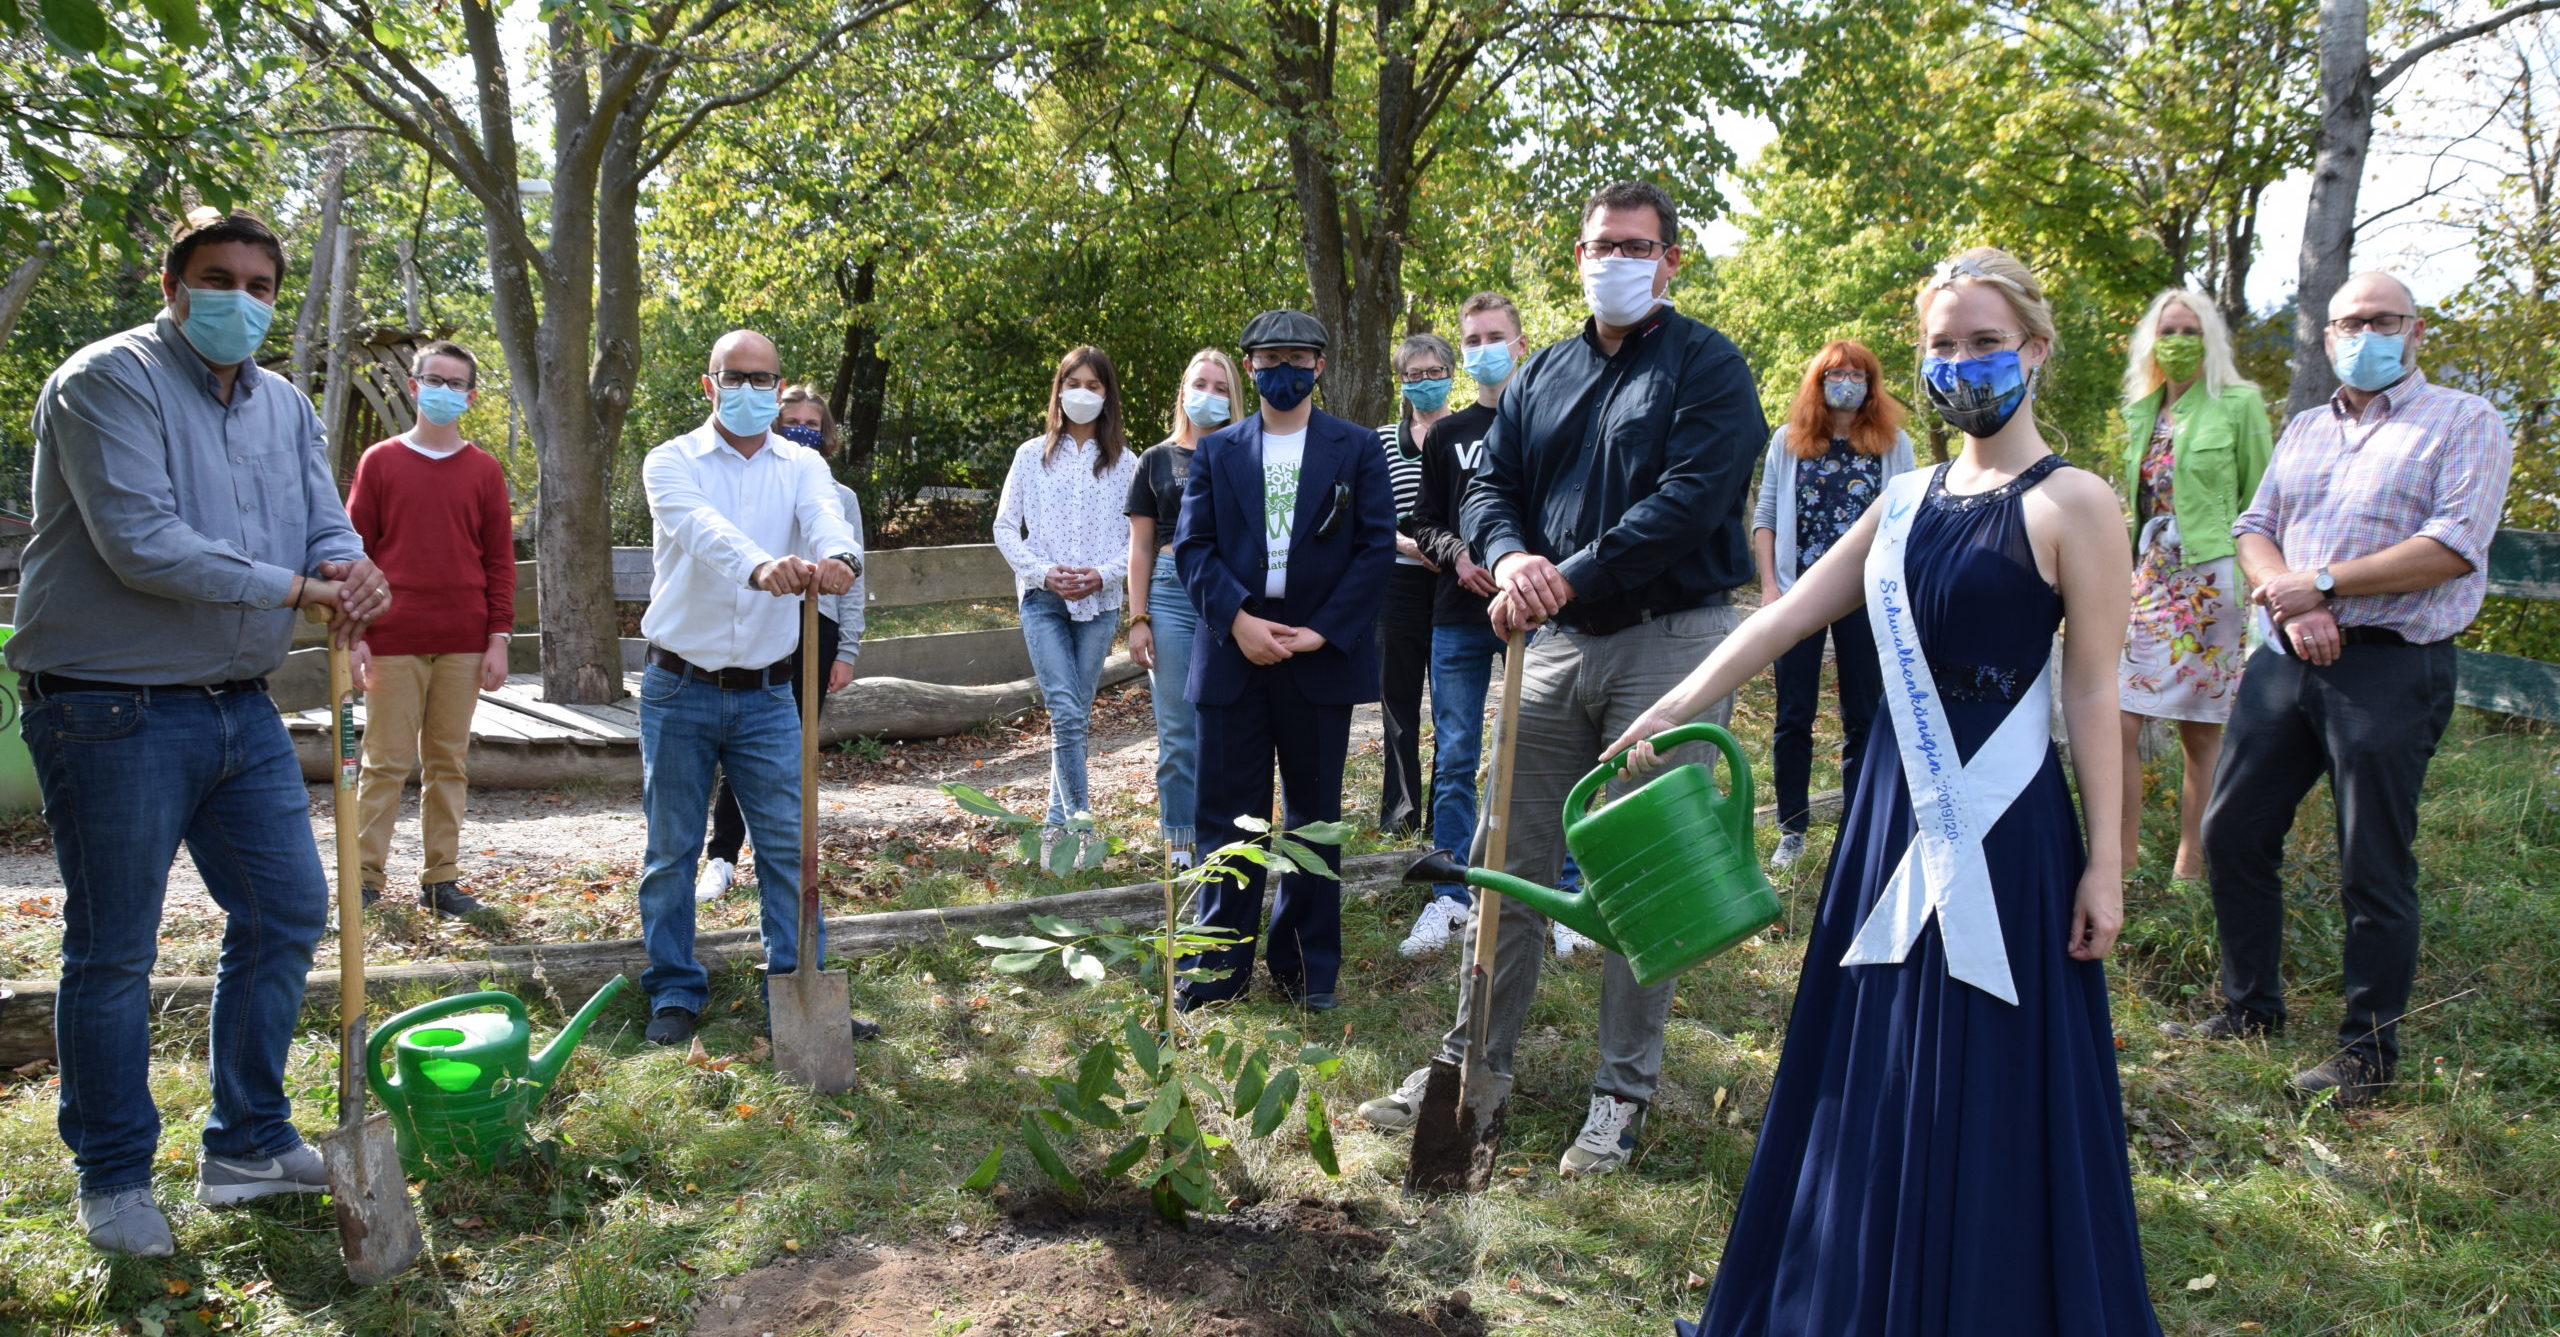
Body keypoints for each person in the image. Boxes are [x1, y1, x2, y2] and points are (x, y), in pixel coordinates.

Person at [1623, 247, 2158, 1336]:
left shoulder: (2078, 502)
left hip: (2007, 830)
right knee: (1871, 1052)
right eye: (1943, 344)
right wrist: (1676, 702)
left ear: (2035, 350)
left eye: (1985, 342)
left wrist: (2107, 861)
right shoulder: (1903, 497)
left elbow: (2094, 690)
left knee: (1993, 1063)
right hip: (1888, 814)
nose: (1962, 362)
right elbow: (1788, 613)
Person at [1355, 181, 1762, 1177]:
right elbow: (1489, 485)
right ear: (1578, 257)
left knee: (1642, 866)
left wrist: (1567, 571)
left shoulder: (1708, 367)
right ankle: (1469, 1068)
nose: (1613, 260)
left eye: (1634, 246)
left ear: (1670, 260)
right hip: (1554, 641)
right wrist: (1507, 559)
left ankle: (1620, 1092)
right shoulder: (1542, 374)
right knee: (1508, 856)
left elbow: (1687, 501)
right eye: (1598, 245)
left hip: (1670, 638)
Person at [12, 209, 392, 1255]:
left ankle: (249, 1143)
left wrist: (348, 564)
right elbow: (141, 541)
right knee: (114, 948)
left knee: (286, 907)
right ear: (173, 286)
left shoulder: (281, 402)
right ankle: (113, 1175)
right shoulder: (106, 380)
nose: (241, 300)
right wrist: (300, 589)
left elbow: (321, 519)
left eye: (261, 285)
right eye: (218, 279)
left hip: (237, 700)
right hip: (107, 701)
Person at [2181, 272, 2513, 1108]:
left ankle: (2366, 1054)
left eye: (2381, 320)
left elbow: (2453, 544)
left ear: (2415, 330)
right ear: (2327, 336)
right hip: (2286, 657)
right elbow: (2255, 527)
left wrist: (2324, 582)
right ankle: (2250, 1007)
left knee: (2372, 861)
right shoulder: (2306, 426)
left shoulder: (2465, 420)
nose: (2364, 335)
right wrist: (2293, 600)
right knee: (2231, 830)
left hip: (2391, 667)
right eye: (2347, 323)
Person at [633, 330, 862, 1049]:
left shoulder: (801, 464)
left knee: (790, 847)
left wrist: (839, 556)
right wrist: (762, 566)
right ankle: (674, 989)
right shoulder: (671, 461)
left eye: (765, 380)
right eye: (736, 377)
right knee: (672, 850)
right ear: (711, 385)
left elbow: (826, 517)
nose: (751, 390)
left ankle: (798, 988)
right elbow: (702, 531)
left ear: (779, 386)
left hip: (768, 694)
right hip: (679, 686)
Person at [1172, 308, 1396, 1011]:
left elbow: (1375, 548)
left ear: (1320, 366)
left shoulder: (1357, 448)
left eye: (1299, 358)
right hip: (1232, 652)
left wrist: (1324, 630)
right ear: (1251, 366)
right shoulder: (1216, 452)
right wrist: (1238, 620)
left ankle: (1306, 968)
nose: (1284, 370)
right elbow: (1192, 548)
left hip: (1317, 657)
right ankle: (1215, 970)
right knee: (1225, 818)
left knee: (1313, 820)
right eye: (1270, 359)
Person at [1399, 291, 1603, 959]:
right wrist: (1458, 556)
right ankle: (1451, 895)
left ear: (1521, 345)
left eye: (1495, 337)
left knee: (1553, 753)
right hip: (1458, 617)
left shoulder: (1555, 426)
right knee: (1456, 754)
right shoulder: (1447, 434)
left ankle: (1562, 894)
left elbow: (1574, 515)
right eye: (1473, 339)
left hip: (1540, 615)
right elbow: (1424, 520)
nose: (1484, 349)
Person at [345, 338, 512, 918]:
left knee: (447, 763)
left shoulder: (484, 470)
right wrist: (355, 635)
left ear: (470, 396)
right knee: (384, 763)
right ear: (414, 387)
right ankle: (364, 880)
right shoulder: (380, 461)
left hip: (463, 642)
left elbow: (499, 562)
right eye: (434, 381)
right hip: (392, 639)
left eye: (456, 383)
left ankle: (441, 880)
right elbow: (354, 552)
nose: (444, 391)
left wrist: (497, 639)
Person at [2114, 290, 2272, 882]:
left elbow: (2263, 499)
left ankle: (2191, 865)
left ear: (2209, 339)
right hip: (2149, 577)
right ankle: (2121, 861)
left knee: (2200, 731)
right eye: (2168, 331)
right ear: (2151, 342)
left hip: (2211, 580)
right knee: (2119, 718)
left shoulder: (2239, 403)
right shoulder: (2143, 410)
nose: (2178, 342)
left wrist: (2263, 581)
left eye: (2190, 331)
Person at [695, 384, 869, 903]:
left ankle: (789, 858)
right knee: (744, 740)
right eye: (792, 421)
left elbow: (855, 575)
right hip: (762, 622)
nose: (802, 431)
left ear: (826, 433)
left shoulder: (841, 498)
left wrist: (847, 650)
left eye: (812, 424)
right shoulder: (754, 485)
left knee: (795, 746)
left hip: (819, 627)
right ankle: (722, 855)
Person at [1750, 340, 1914, 870]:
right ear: (1818, 383)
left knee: (1863, 715)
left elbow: (1908, 522)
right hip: (1797, 594)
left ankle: (1858, 827)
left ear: (1871, 384)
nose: (1847, 383)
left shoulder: (1893, 444)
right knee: (1793, 713)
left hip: (1865, 595)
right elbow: (1766, 517)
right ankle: (1792, 829)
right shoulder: (1789, 441)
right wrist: (1771, 590)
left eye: (1857, 375)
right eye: (1836, 375)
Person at [993, 346, 1139, 870]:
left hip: (1099, 604)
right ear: (1058, 390)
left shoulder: (1127, 463)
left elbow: (1138, 541)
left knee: (1075, 714)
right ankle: (1080, 829)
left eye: (1093, 385)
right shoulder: (1031, 455)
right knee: (1065, 710)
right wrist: (1041, 572)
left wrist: (1102, 574)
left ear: (1107, 394)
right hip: (1043, 601)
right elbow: (1004, 526)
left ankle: (1056, 826)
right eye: (1073, 383)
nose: (1082, 393)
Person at [1125, 349, 1239, 870]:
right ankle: (1180, 847)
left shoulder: (1246, 453)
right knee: (1177, 733)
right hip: (1170, 593)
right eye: (1201, 384)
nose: (1209, 395)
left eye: (1221, 387)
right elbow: (1140, 547)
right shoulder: (1155, 459)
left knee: (1229, 726)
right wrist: (1138, 618)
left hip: (1230, 593)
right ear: (1183, 391)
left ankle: (1228, 841)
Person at [1373, 332, 1452, 839]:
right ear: (1401, 381)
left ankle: (1447, 816)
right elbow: (1366, 515)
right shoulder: (1381, 441)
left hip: (1455, 585)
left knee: (1451, 706)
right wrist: (1405, 543)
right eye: (1414, 374)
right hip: (1397, 585)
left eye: (1433, 372)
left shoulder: (1470, 431)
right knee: (1398, 704)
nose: (1424, 382)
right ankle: (1400, 818)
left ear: (1450, 374)